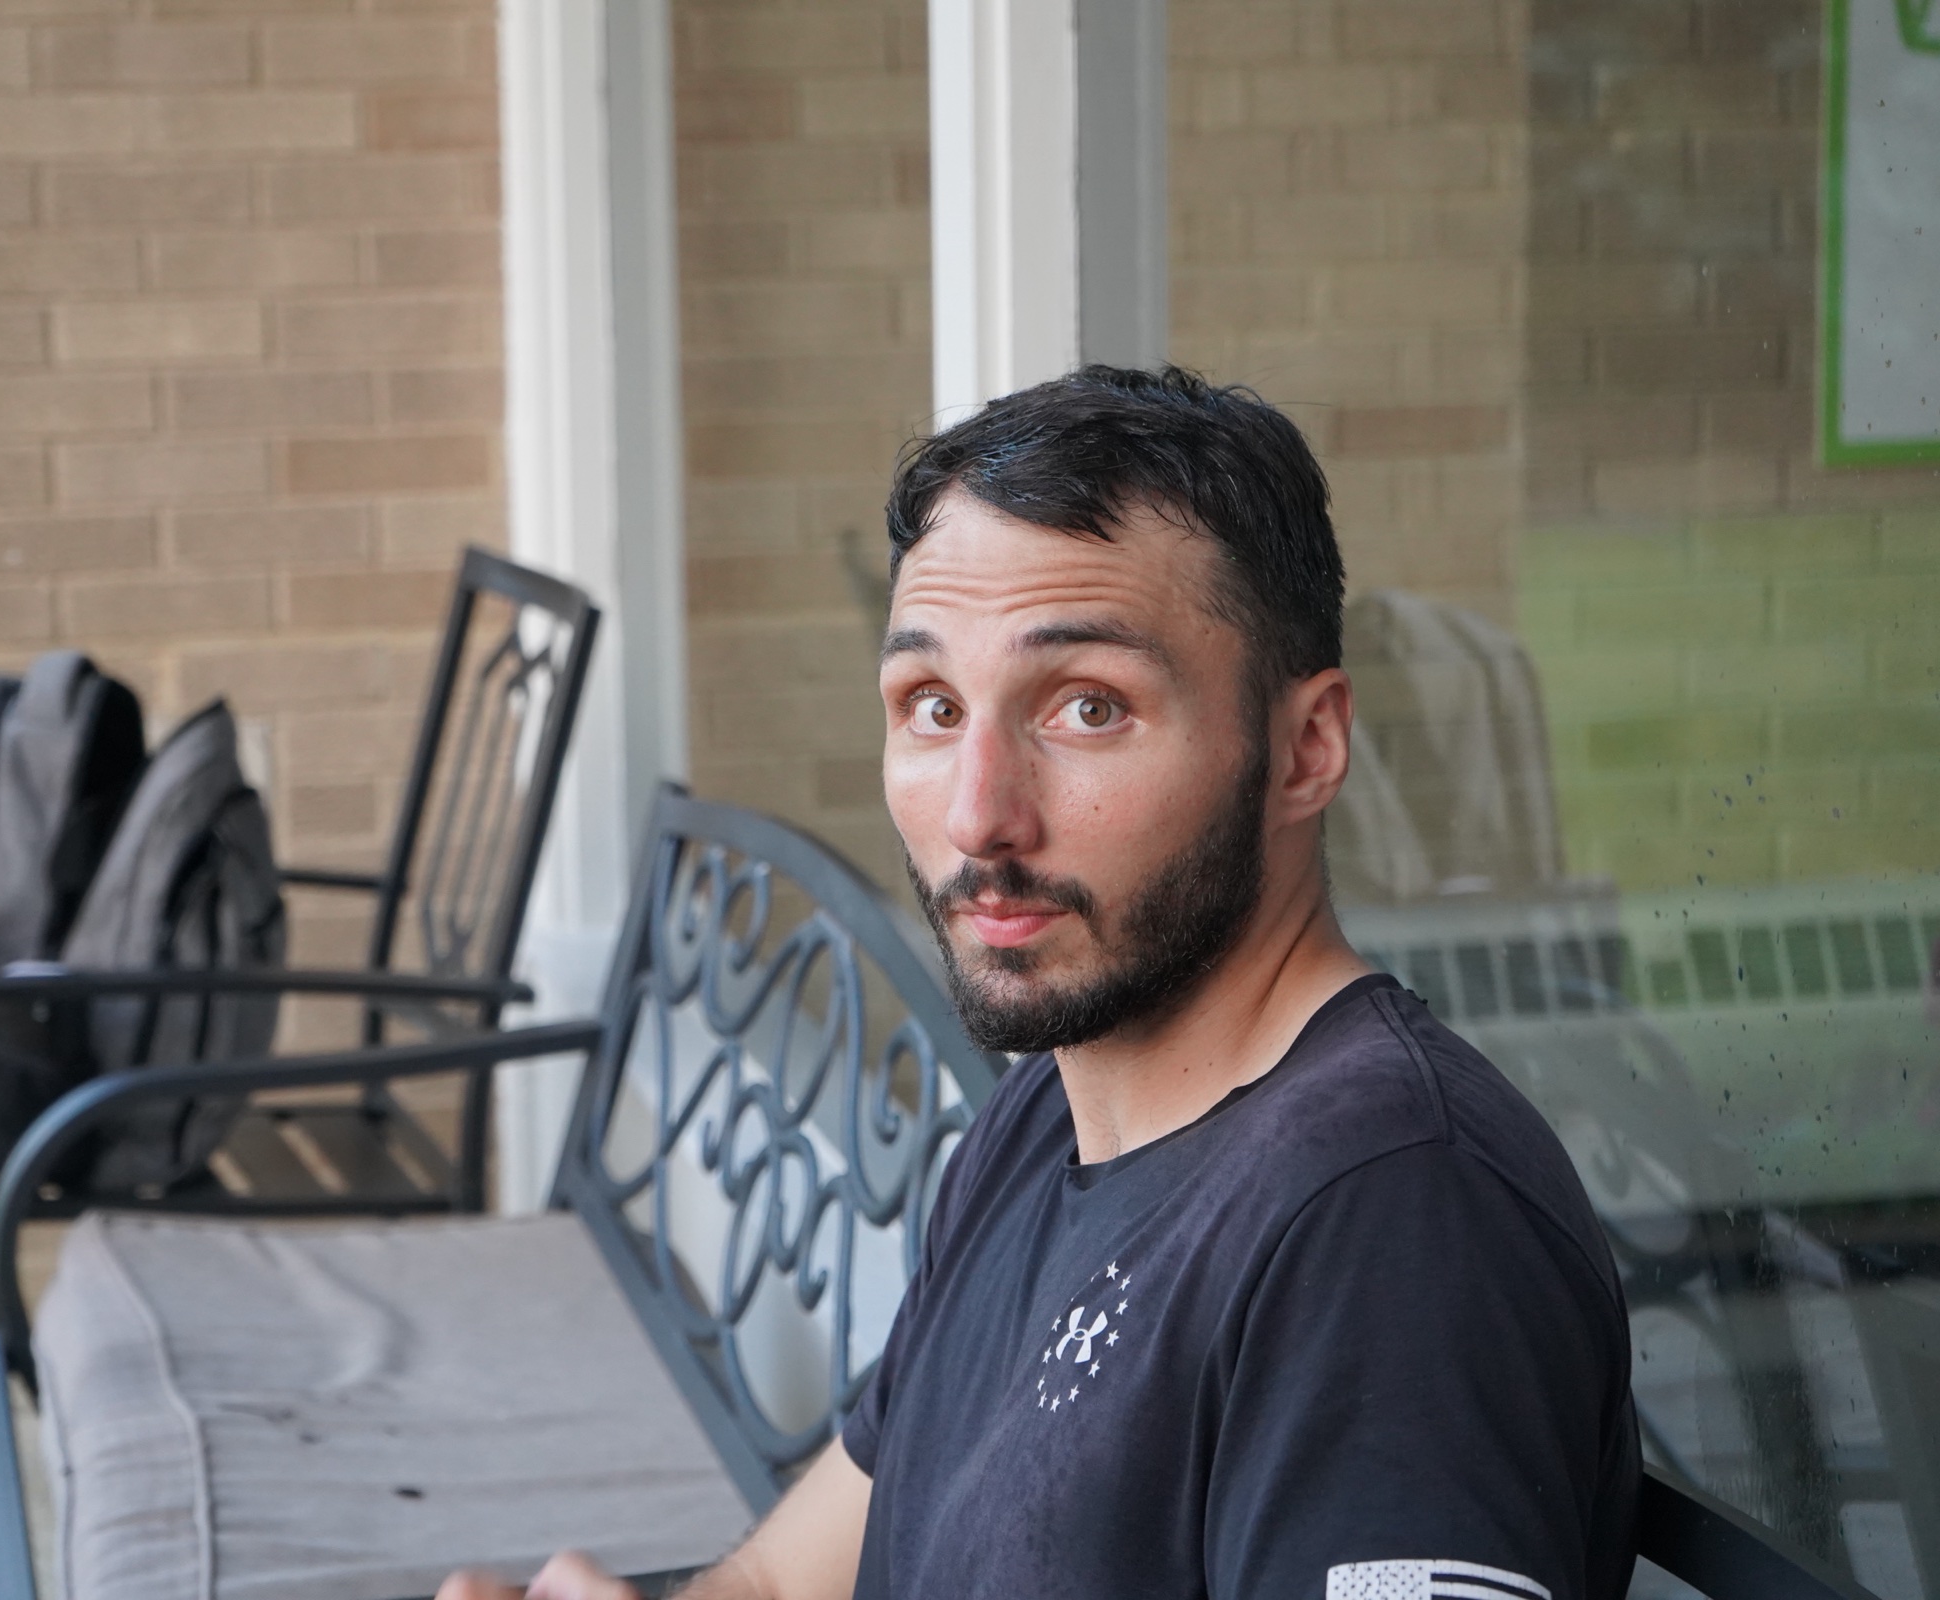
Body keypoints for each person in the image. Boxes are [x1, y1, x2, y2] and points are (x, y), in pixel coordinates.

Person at [441, 366, 1639, 1600]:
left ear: (1306, 748)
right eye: (933, 705)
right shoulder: (1046, 1113)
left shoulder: (1389, 1216)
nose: (978, 815)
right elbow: (777, 1582)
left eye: (1086, 706)